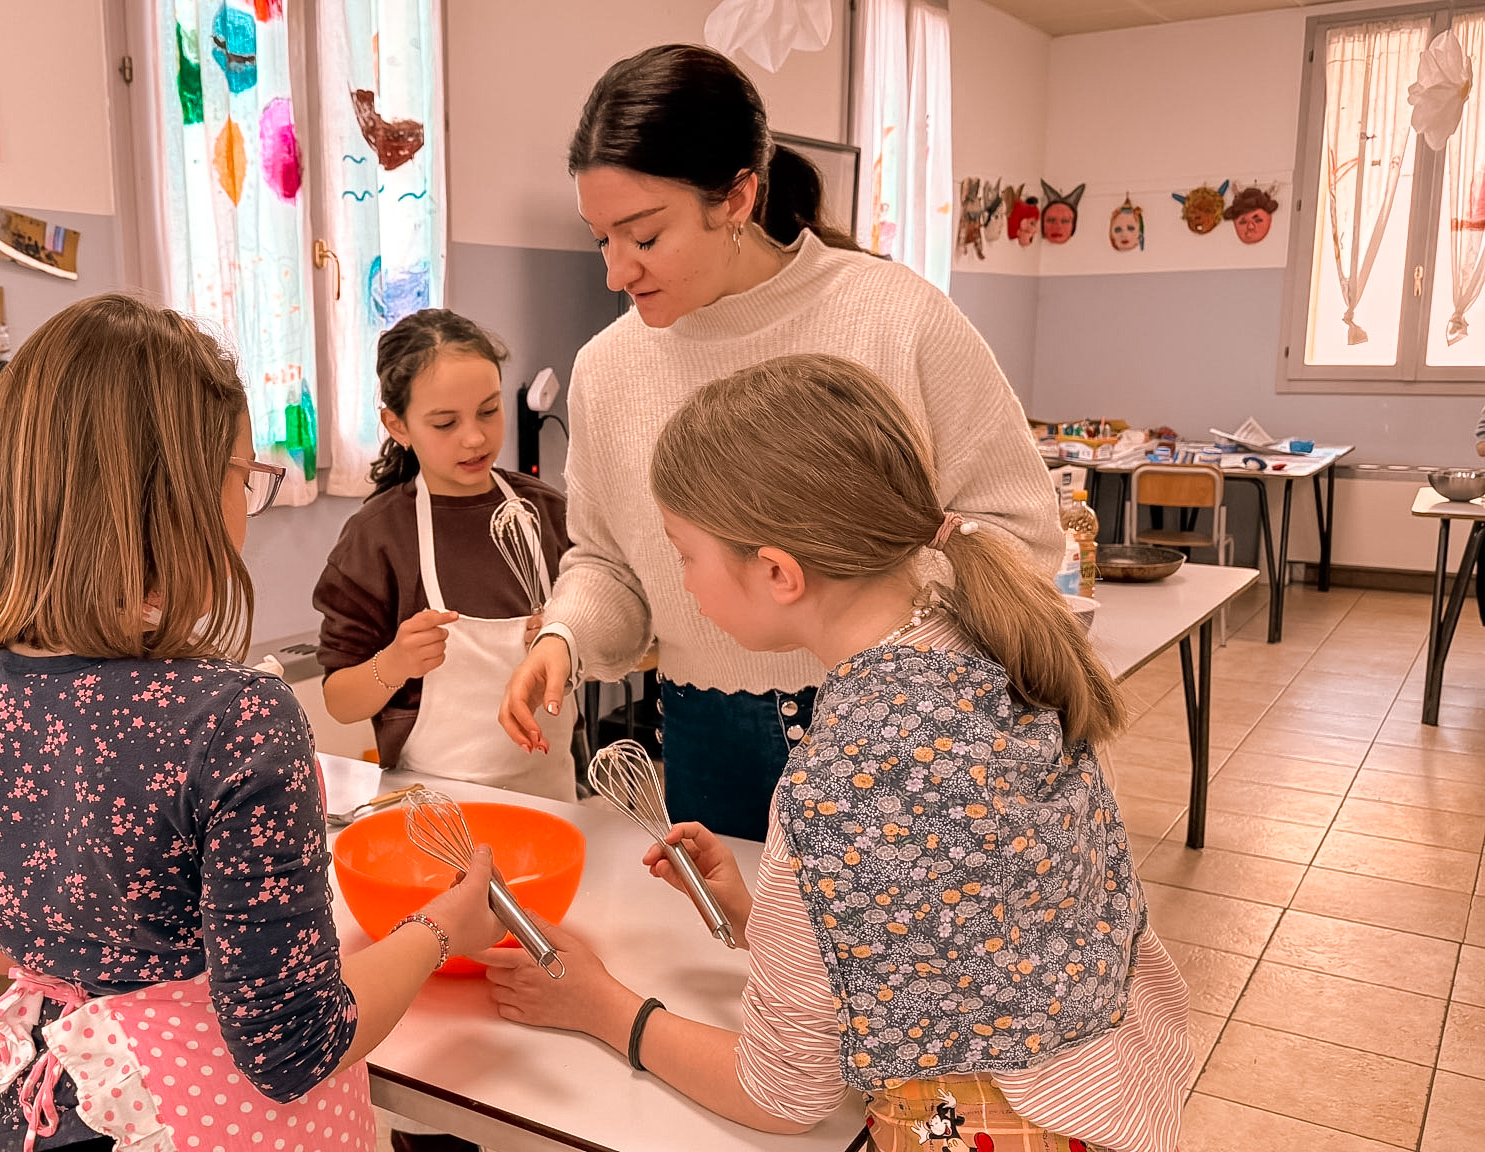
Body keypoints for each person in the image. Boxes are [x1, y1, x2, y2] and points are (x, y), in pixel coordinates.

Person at [482, 354, 1190, 1152]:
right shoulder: (993, 651)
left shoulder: (838, 781)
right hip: (1120, 1100)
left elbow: (783, 1093)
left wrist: (602, 1006)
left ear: (778, 572)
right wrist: (773, 920)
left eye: (684, 554)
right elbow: (967, 935)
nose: (681, 581)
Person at [0, 294, 507, 1152]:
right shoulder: (234, 720)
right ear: (179, 496)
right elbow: (296, 1044)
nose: (245, 501)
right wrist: (447, 923)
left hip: (61, 1112)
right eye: (245, 476)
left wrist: (105, 976)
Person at [499, 44, 1063, 841]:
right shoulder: (609, 368)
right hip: (707, 731)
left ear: (736, 197)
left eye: (646, 237)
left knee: (895, 964)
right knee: (725, 958)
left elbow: (1019, 537)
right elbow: (609, 564)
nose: (616, 274)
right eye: (601, 240)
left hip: (908, 720)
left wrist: (871, 630)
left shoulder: (892, 317)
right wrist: (568, 634)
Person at [315, 309, 577, 799]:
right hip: (433, 811)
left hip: (552, 798)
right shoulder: (377, 539)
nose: (474, 437)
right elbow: (338, 701)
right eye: (444, 423)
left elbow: (606, 643)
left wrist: (568, 638)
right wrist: (393, 663)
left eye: (488, 410)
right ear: (398, 425)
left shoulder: (547, 512)